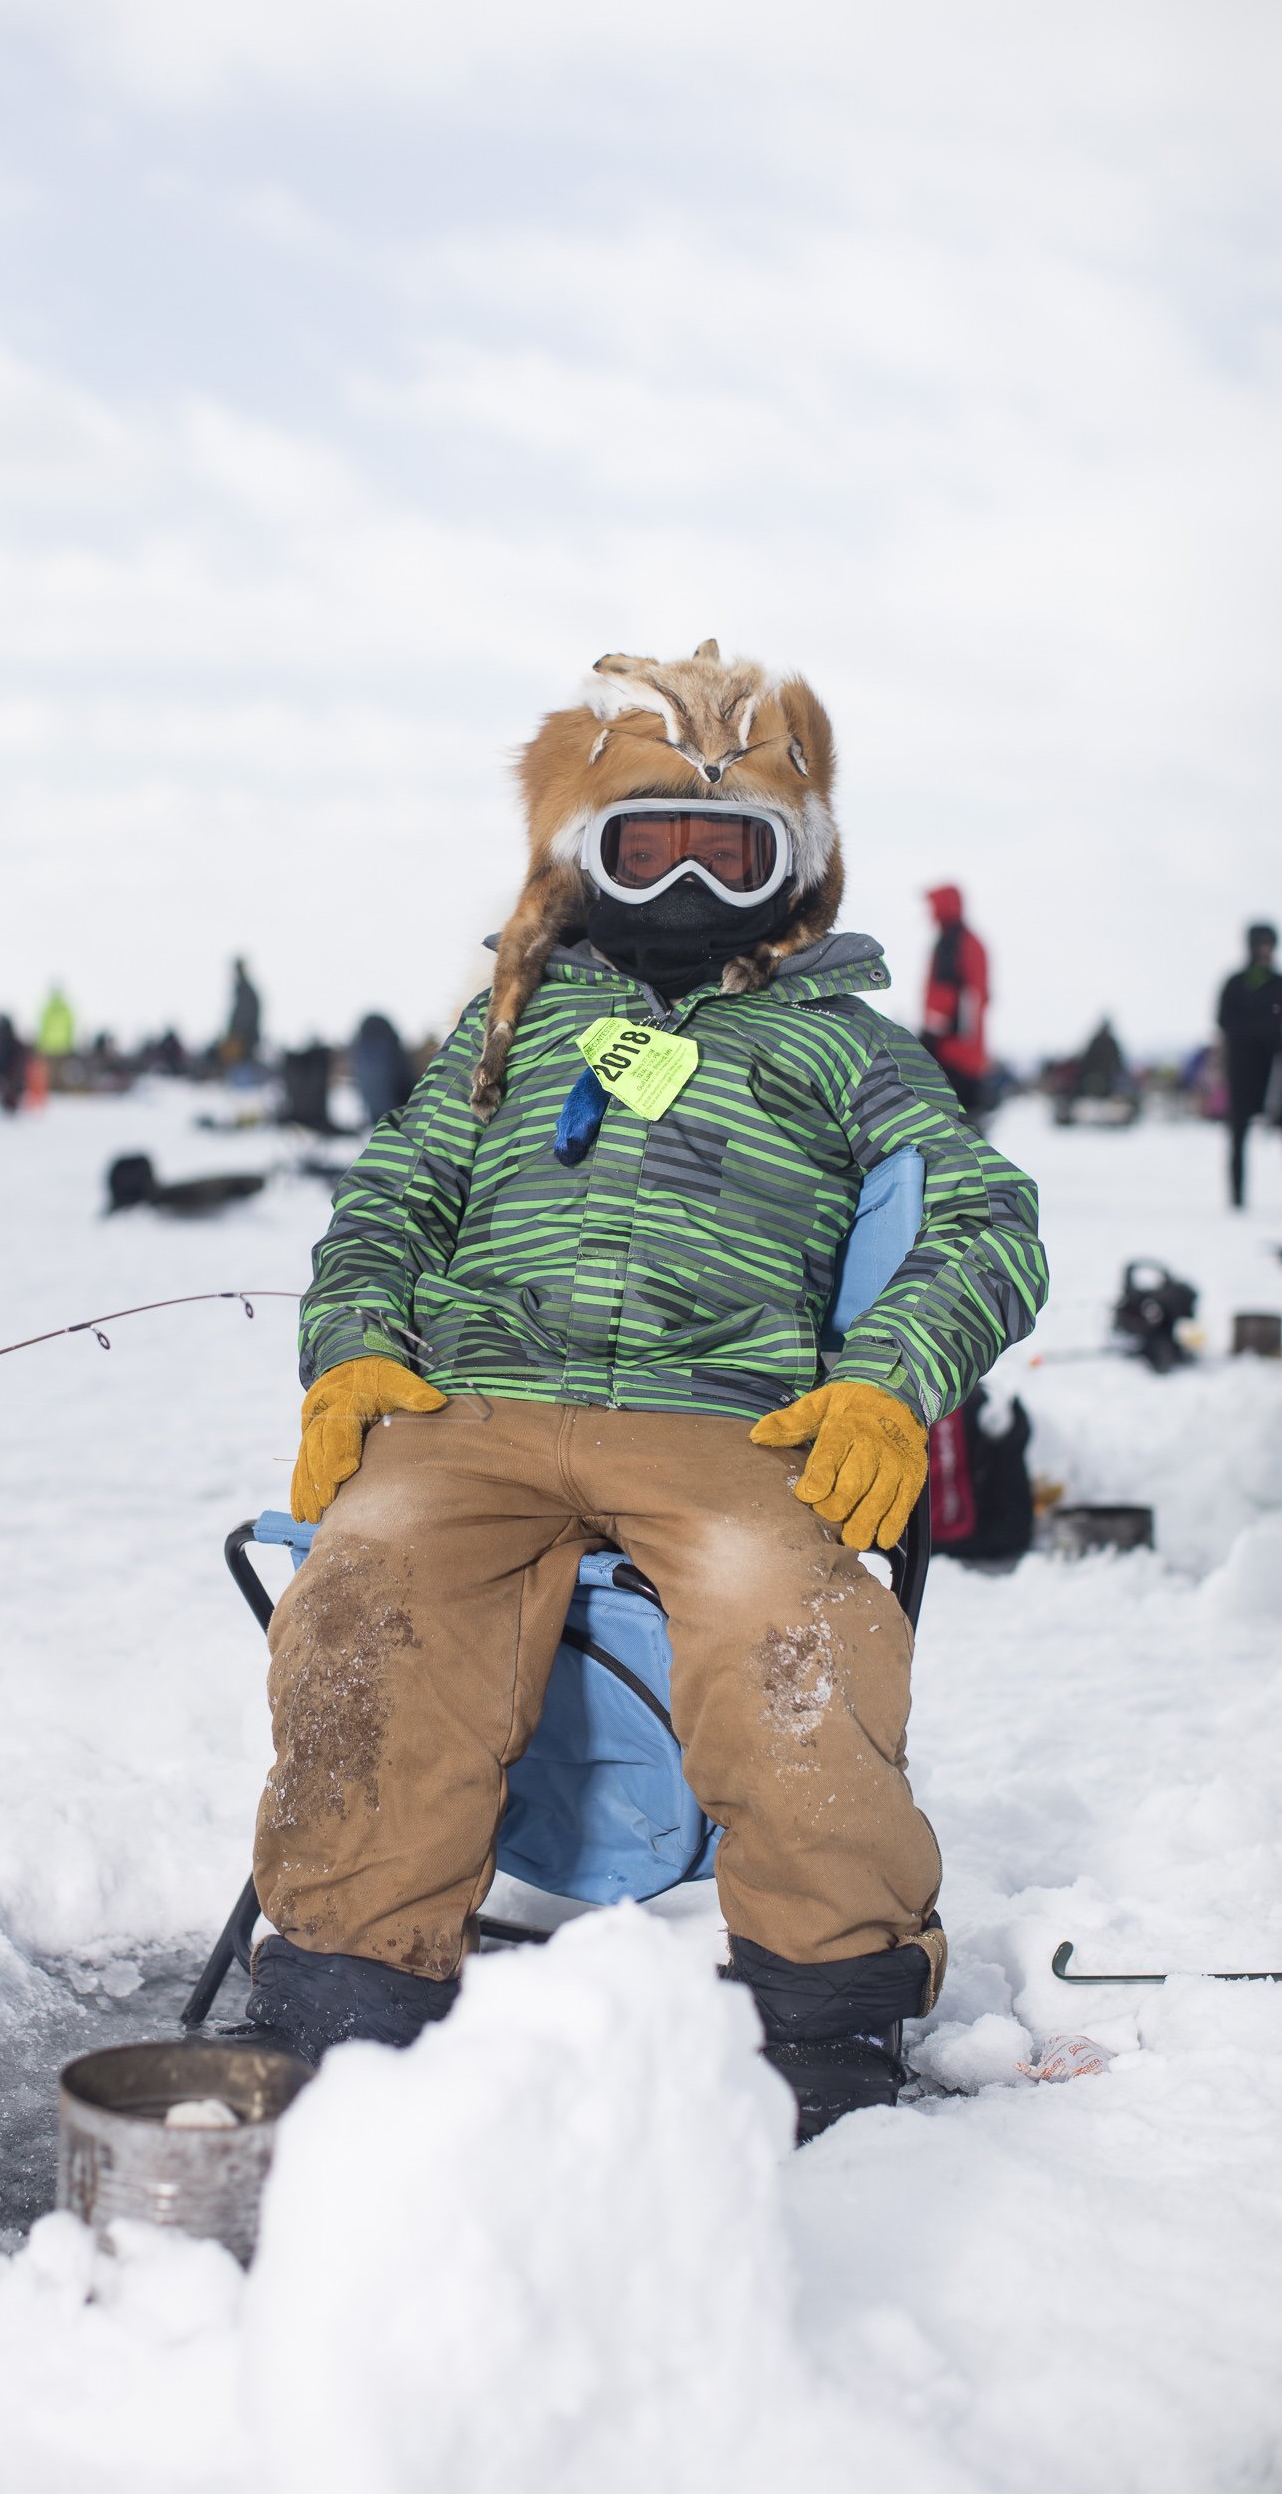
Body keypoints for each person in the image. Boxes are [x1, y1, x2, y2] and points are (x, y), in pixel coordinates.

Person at [233, 646, 1049, 2141]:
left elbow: (980, 1221)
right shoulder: (512, 1024)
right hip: (472, 1404)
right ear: (586, 861)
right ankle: (349, 1982)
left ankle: (822, 2002)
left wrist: (884, 1385)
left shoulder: (848, 1050)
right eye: (645, 843)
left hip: (718, 1417)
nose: (683, 877)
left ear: (786, 872)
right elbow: (390, 1199)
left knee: (783, 1623)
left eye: (723, 850)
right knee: (366, 1591)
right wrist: (350, 1344)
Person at [1216, 923, 1282, 1208]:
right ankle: (1237, 1199)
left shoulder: (1278, 983)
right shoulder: (1235, 983)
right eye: (1260, 943)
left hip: (1275, 1072)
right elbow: (1223, 1020)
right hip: (1242, 1070)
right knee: (1238, 1134)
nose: (1265, 950)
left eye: (1269, 944)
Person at [919, 885, 990, 1116]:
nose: (929, 911)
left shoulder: (954, 942)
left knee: (946, 1123)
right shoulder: (969, 941)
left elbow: (950, 993)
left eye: (933, 905)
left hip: (952, 1054)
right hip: (968, 1054)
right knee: (965, 1123)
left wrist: (932, 1035)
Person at [223, 958, 262, 1067]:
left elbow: (245, 1016)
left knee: (242, 1067)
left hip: (244, 1039)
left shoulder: (246, 991)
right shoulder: (242, 990)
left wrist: (238, 1034)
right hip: (241, 1038)